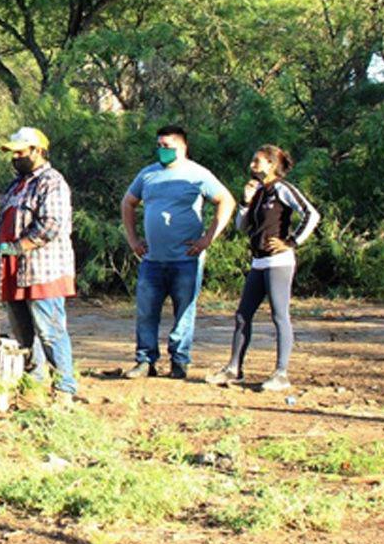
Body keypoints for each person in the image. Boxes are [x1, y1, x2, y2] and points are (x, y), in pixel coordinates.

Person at [120, 125, 236, 379]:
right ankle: (145, 360)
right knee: (146, 312)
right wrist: (133, 239)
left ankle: (179, 361)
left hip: (186, 259)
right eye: (159, 146)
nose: (162, 151)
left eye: (168, 147)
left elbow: (226, 201)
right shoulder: (148, 175)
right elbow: (128, 202)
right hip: (152, 260)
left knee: (184, 311)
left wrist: (208, 238)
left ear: (182, 148)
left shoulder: (197, 174)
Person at [206, 145, 321, 392]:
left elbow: (311, 214)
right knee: (242, 315)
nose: (252, 165)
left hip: (279, 262)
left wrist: (291, 242)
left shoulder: (282, 189)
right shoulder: (258, 192)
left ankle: (281, 373)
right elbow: (241, 226)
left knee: (279, 315)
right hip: (258, 261)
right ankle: (233, 369)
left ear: (271, 164)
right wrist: (246, 202)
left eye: (257, 161)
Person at [0, 127, 78, 406]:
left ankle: (64, 387)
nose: (15, 157)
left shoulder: (51, 182)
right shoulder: (16, 185)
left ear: (37, 151)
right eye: (13, 153)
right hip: (12, 272)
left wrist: (18, 246)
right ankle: (32, 385)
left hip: (42, 270)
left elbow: (51, 224)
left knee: (49, 330)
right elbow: (1, 223)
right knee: (24, 334)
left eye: (21, 152)